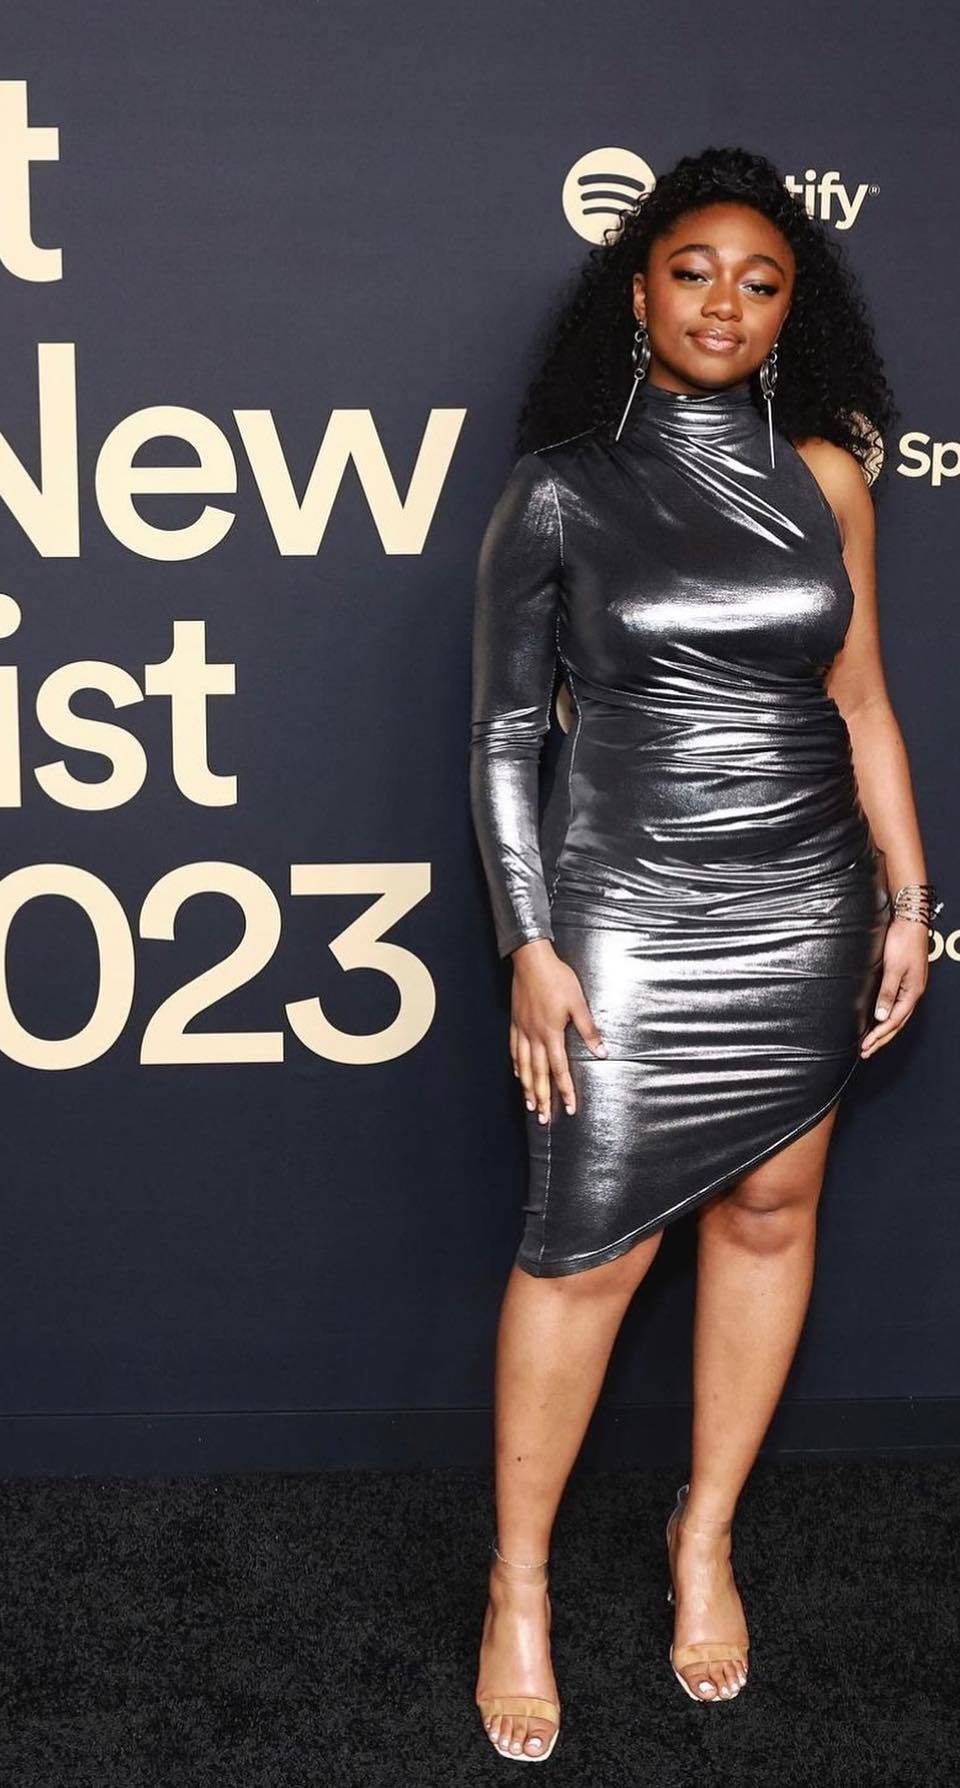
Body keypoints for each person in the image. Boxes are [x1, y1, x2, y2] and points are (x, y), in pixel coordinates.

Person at [466, 146, 938, 1764]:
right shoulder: (561, 488)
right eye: (692, 271)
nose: (724, 302)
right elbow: (503, 736)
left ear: (796, 311)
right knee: (584, 1250)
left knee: (772, 1210)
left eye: (761, 279)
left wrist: (909, 902)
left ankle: (705, 1535)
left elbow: (861, 704)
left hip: (804, 892)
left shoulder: (832, 482)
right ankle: (519, 1587)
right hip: (622, 904)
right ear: (638, 292)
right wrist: (530, 941)